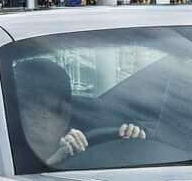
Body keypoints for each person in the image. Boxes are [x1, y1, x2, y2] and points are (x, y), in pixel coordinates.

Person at [11, 56, 145, 170]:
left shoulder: (87, 143)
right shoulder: (0, 154)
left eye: (51, 109)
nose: (39, 119)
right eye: (28, 108)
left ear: (66, 114)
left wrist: (130, 142)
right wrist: (55, 161)